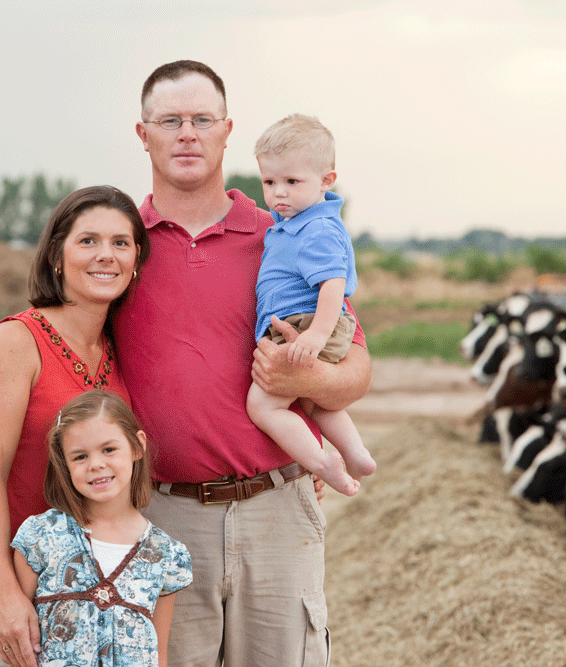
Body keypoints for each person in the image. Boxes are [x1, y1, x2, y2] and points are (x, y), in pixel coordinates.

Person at [112, 60, 372, 666]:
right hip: (161, 511)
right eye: (169, 120)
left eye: (202, 119)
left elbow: (356, 369)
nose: (187, 133)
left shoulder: (285, 231)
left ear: (227, 131)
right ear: (141, 132)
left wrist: (306, 378)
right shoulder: (120, 243)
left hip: (276, 507)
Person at [0, 185, 151, 667]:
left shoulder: (122, 349)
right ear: (57, 257)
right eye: (88, 241)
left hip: (96, 608)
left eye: (120, 243)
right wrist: (5, 596)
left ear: (135, 260)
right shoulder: (15, 342)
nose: (106, 255)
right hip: (20, 605)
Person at [12, 390, 192, 667]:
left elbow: (159, 655)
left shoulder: (166, 555)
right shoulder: (41, 536)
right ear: (65, 463)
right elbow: (20, 638)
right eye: (80, 457)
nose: (96, 464)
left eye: (108, 449)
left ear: (137, 446)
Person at [246, 114, 376, 496]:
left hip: (306, 325)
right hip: (306, 324)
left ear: (326, 181)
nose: (278, 193)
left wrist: (316, 334)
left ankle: (323, 462)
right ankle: (356, 453)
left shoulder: (316, 228)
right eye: (269, 182)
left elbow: (333, 284)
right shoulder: (293, 221)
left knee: (264, 407)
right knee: (315, 400)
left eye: (291, 182)